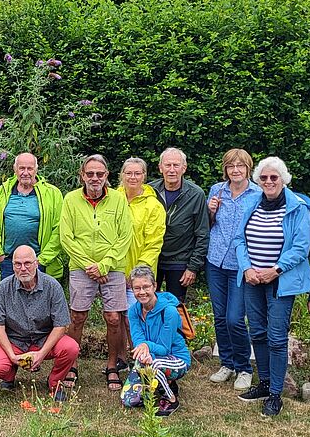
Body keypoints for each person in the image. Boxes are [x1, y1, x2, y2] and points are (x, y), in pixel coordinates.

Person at [236, 156, 310, 417]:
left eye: (274, 177)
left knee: (277, 338)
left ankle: (276, 393)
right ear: (258, 181)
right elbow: (239, 239)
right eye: (264, 178)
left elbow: (301, 248)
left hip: (280, 281)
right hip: (253, 280)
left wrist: (275, 270)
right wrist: (247, 267)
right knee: (256, 332)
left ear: (283, 180)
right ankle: (264, 383)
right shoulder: (251, 204)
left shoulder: (298, 208)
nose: (268, 181)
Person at [60, 154, 132, 391]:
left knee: (113, 318)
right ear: (82, 175)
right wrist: (89, 265)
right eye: (90, 174)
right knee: (77, 317)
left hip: (113, 267)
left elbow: (125, 236)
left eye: (99, 174)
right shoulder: (70, 200)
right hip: (82, 267)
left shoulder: (118, 200)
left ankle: (112, 365)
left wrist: (104, 265)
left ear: (107, 176)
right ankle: (71, 364)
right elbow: (66, 237)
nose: (94, 178)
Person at [0, 245, 78, 401]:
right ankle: (8, 376)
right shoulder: (3, 288)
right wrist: (12, 356)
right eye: (18, 264)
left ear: (36, 263)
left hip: (44, 340)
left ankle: (55, 383)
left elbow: (61, 325)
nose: (23, 268)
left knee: (71, 348)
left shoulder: (53, 286)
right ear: (13, 266)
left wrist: (41, 354)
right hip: (14, 340)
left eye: (27, 263)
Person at [206, 149, 261, 391]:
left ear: (248, 168)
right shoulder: (217, 190)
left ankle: (244, 368)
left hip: (241, 265)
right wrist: (211, 211)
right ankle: (226, 363)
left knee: (235, 319)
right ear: (225, 169)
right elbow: (207, 225)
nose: (235, 170)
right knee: (219, 317)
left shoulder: (258, 194)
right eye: (231, 166)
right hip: (215, 261)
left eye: (240, 166)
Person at [122, 265, 191, 416]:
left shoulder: (169, 311)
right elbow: (138, 340)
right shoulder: (133, 311)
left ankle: (172, 398)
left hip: (176, 359)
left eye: (146, 287)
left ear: (155, 286)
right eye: (137, 288)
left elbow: (164, 348)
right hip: (150, 355)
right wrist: (143, 353)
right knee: (129, 400)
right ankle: (159, 385)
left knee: (154, 365)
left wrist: (146, 347)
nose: (142, 292)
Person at [0, 152, 64, 281]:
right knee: (10, 299)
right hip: (9, 262)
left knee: (39, 299)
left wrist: (43, 259)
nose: (25, 172)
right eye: (21, 168)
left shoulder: (52, 193)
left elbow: (59, 230)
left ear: (36, 169)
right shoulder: (3, 191)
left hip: (38, 261)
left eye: (29, 168)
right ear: (15, 169)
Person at [148, 148, 209, 302]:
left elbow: (202, 233)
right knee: (147, 303)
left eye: (176, 165)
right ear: (160, 167)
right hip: (152, 257)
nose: (172, 170)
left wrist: (193, 267)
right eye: (168, 165)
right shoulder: (149, 191)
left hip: (179, 260)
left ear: (184, 168)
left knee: (175, 307)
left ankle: (175, 328)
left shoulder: (196, 194)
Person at [116, 157, 166, 305]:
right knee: (113, 318)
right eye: (129, 173)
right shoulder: (111, 199)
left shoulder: (154, 205)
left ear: (144, 176)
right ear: (122, 175)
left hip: (140, 276)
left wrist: (135, 274)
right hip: (113, 271)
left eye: (137, 173)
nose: (133, 177)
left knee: (135, 318)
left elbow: (154, 244)